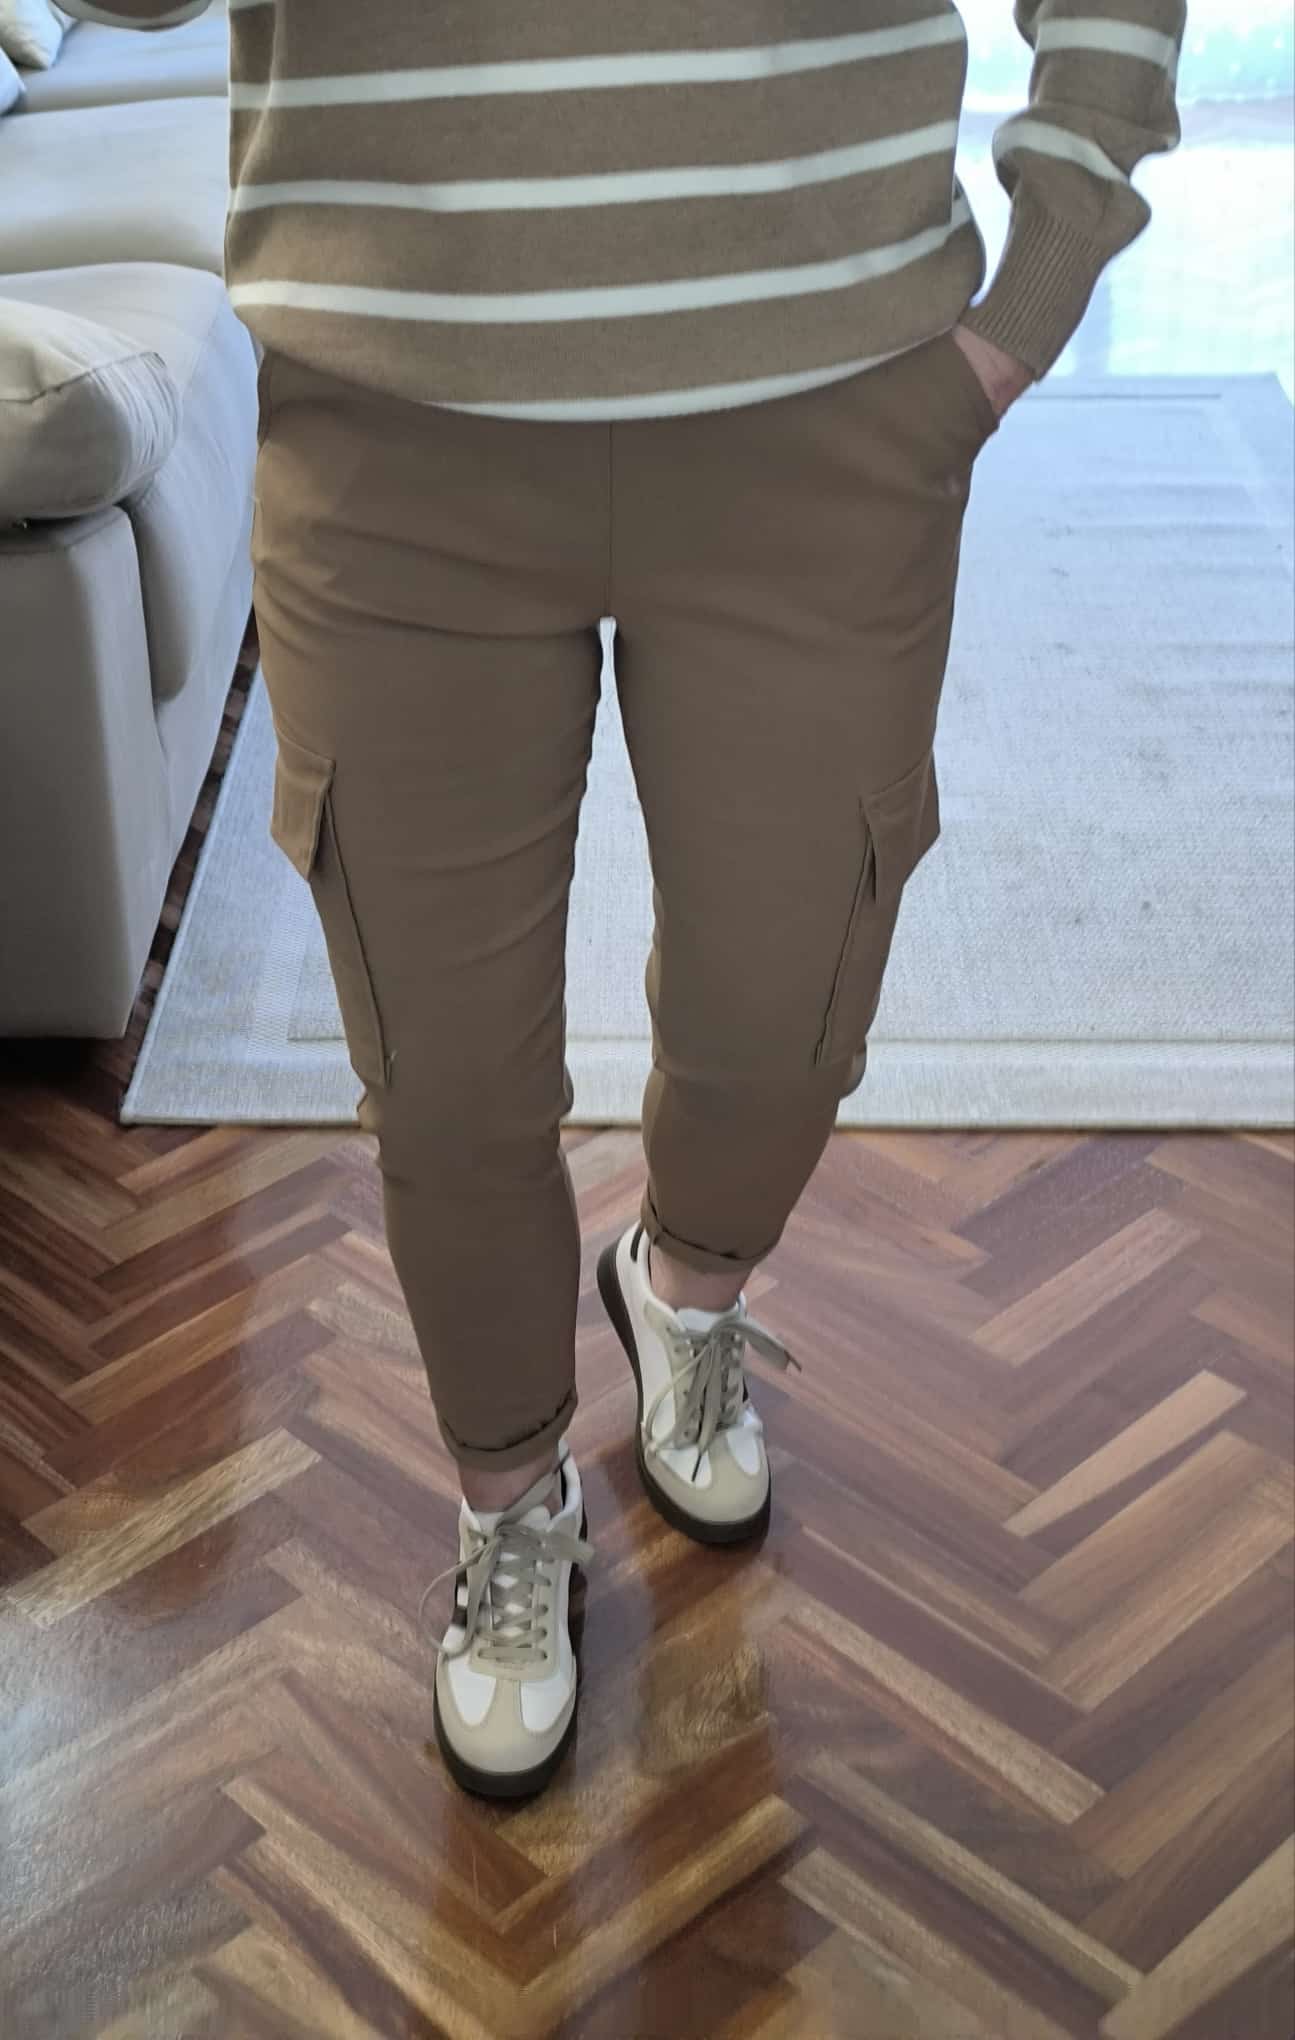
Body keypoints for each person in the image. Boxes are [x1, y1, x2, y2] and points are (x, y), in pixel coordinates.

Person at [68, 0, 1185, 1799]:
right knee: (443, 1082)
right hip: (395, 421)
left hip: (828, 402)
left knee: (782, 1022)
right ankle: (509, 1500)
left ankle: (685, 1293)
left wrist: (1037, 282)